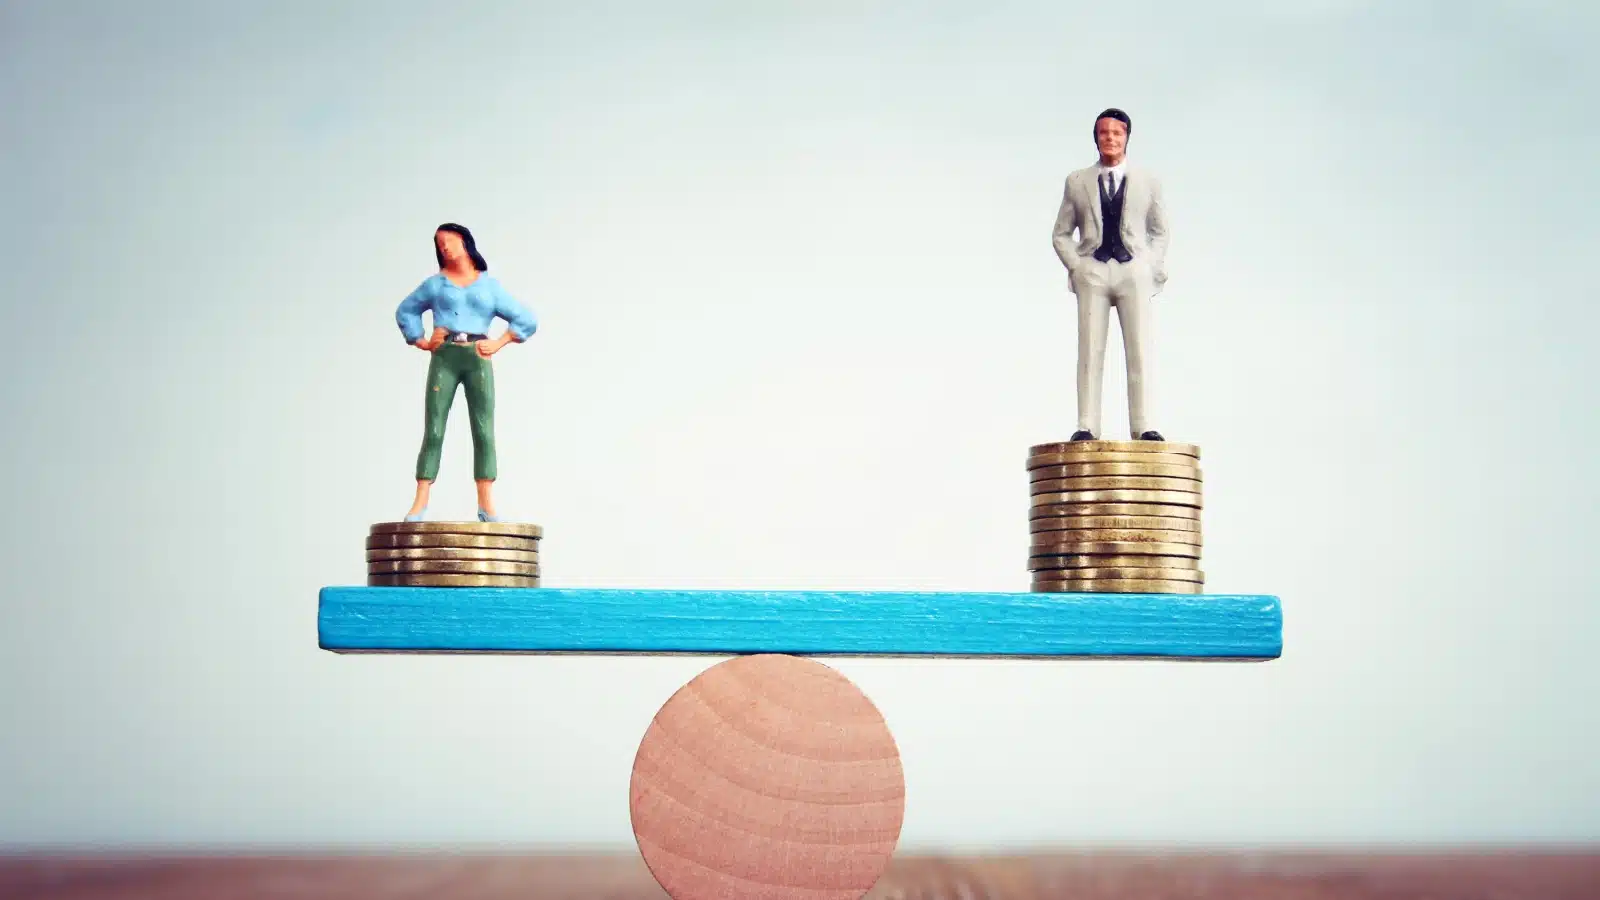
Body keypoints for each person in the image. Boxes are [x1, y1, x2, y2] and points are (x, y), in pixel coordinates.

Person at [394, 223, 538, 522]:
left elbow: (526, 318)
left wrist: (499, 342)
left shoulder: (489, 287)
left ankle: (486, 504)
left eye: (450, 240)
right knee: (434, 428)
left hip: (477, 357)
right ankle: (420, 501)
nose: (445, 247)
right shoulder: (435, 285)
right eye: (440, 244)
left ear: (465, 242)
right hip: (445, 357)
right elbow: (406, 310)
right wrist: (421, 340)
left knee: (483, 429)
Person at [1051, 107, 1170, 442]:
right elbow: (1061, 233)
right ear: (1096, 138)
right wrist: (1077, 266)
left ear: (1127, 137)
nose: (1110, 139)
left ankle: (1144, 424)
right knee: (1090, 350)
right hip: (1094, 271)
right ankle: (1087, 424)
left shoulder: (1148, 182)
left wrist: (1148, 266)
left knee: (1140, 348)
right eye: (1104, 133)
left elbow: (1160, 231)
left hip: (1133, 271)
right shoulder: (1077, 182)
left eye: (1117, 133)